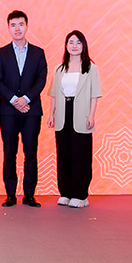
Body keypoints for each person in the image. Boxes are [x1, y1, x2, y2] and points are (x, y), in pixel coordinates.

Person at [0, 10, 47, 207]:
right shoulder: (1, 53)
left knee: (31, 152)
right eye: (13, 25)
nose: (17, 28)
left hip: (32, 110)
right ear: (8, 28)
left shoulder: (38, 53)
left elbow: (41, 80)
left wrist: (26, 99)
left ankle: (29, 194)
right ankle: (10, 194)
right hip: (8, 111)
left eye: (21, 24)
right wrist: (14, 100)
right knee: (9, 152)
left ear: (27, 26)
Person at [48, 30, 102, 208]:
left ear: (83, 46)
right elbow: (54, 94)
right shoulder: (59, 69)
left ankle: (80, 195)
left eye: (78, 42)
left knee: (81, 154)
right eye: (71, 42)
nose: (74, 46)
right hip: (63, 114)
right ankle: (66, 192)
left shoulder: (90, 68)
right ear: (66, 46)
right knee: (64, 154)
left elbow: (94, 94)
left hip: (81, 113)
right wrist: (51, 114)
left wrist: (91, 115)